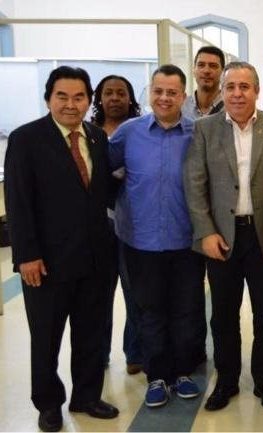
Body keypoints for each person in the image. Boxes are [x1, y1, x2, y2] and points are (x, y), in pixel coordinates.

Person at [4, 66, 119, 432]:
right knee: (46, 338)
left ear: (89, 100)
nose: (71, 105)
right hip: (46, 262)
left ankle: (86, 396)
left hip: (95, 259)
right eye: (62, 97)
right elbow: (18, 202)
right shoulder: (26, 139)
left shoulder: (96, 137)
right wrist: (26, 255)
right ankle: (48, 404)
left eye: (79, 97)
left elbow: (102, 192)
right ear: (48, 98)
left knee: (91, 334)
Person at [183, 61, 263, 413]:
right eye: (230, 87)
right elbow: (195, 184)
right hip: (222, 236)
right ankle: (227, 380)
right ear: (222, 91)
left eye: (244, 87)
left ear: (257, 91)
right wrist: (205, 232)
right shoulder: (205, 129)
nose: (237, 94)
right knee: (222, 315)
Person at [109, 64, 206, 408]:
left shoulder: (197, 133)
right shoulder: (128, 133)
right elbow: (106, 174)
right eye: (158, 91)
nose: (164, 98)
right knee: (149, 312)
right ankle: (157, 376)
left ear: (183, 96)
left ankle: (182, 372)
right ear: (150, 92)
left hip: (186, 241)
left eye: (172, 92)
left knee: (185, 310)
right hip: (141, 241)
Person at [91, 74, 144, 375]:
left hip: (131, 223)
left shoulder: (139, 131)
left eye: (121, 93)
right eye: (108, 93)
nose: (114, 98)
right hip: (97, 225)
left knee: (134, 291)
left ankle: (135, 352)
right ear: (99, 98)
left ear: (129, 98)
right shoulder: (90, 133)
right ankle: (98, 354)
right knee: (98, 293)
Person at [182, 45, 226, 120]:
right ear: (194, 70)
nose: (206, 71)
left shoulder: (231, 107)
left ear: (223, 72)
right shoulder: (181, 107)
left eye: (213, 66)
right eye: (201, 65)